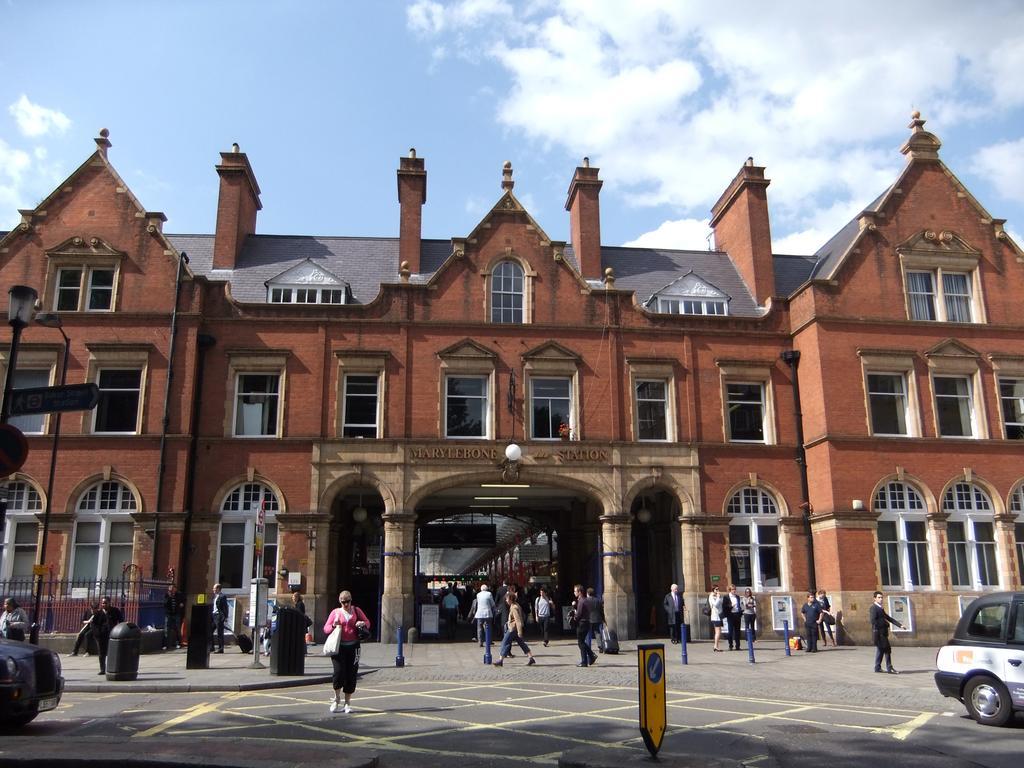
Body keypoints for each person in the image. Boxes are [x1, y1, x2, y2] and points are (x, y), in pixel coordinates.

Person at [323, 589, 371, 713]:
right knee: (338, 673)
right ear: (340, 601)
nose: (346, 604)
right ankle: (336, 699)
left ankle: (347, 703)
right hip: (339, 647)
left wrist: (361, 623)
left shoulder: (356, 610)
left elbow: (368, 623)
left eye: (348, 601)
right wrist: (334, 625)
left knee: (351, 674)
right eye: (343, 602)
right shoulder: (335, 613)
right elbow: (326, 629)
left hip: (354, 647)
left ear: (351, 600)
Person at [493, 592, 536, 667]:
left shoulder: (514, 608)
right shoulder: (516, 605)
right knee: (521, 643)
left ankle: (500, 660)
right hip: (515, 628)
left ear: (510, 599)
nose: (506, 600)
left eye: (507, 599)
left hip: (513, 629)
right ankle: (531, 658)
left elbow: (518, 620)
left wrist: (519, 632)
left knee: (504, 642)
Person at [870, 590, 904, 674]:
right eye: (879, 597)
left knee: (881, 650)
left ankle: (877, 667)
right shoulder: (874, 608)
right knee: (887, 649)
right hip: (879, 633)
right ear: (874, 598)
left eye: (881, 597)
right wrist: (885, 624)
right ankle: (889, 668)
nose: (881, 599)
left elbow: (888, 617)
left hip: (882, 633)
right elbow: (873, 621)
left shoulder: (880, 608)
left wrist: (899, 625)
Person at [572, 584, 597, 667]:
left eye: (575, 591)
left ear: (579, 592)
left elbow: (578, 614)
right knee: (582, 642)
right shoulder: (585, 600)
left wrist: (574, 617)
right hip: (586, 622)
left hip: (582, 624)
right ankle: (591, 656)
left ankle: (584, 661)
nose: (574, 592)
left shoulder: (581, 601)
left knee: (580, 642)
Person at [88, 601, 111, 675]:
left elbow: (105, 624)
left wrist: (100, 632)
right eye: (92, 609)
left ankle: (105, 668)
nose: (93, 610)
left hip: (103, 635)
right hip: (98, 636)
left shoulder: (100, 614)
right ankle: (103, 669)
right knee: (101, 653)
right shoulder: (92, 615)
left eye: (95, 608)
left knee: (103, 652)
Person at [163, 584, 185, 650]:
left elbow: (184, 599)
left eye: (173, 588)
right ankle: (166, 644)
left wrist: (182, 603)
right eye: (170, 588)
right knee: (167, 629)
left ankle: (178, 643)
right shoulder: (166, 595)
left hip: (176, 614)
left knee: (177, 629)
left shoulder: (179, 594)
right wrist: (169, 597)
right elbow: (164, 604)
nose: (172, 590)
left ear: (175, 589)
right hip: (169, 614)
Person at [210, 583, 228, 653]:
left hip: (219, 616)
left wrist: (225, 617)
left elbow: (225, 607)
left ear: (218, 589)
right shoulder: (216, 596)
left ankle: (221, 648)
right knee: (210, 631)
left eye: (214, 588)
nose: (213, 589)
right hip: (214, 615)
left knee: (220, 632)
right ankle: (212, 647)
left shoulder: (222, 596)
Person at [725, 585, 743, 650]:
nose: (734, 590)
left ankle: (738, 646)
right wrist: (731, 606)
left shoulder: (737, 597)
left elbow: (739, 605)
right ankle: (730, 645)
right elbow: (724, 606)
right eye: (732, 589)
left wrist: (740, 611)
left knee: (737, 631)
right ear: (730, 590)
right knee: (730, 631)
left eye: (735, 589)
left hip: (737, 615)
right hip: (730, 615)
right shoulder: (726, 597)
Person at [707, 586, 724, 652]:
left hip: (719, 615)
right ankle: (716, 646)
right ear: (713, 590)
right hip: (715, 616)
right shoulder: (711, 596)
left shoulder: (716, 596)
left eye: (718, 589)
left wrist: (719, 597)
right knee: (718, 632)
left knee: (718, 631)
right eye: (716, 589)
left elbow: (721, 603)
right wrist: (718, 597)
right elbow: (715, 604)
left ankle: (716, 646)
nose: (717, 590)